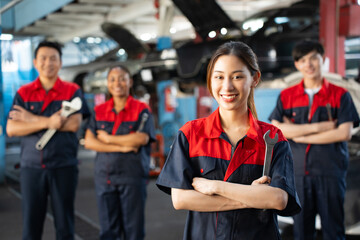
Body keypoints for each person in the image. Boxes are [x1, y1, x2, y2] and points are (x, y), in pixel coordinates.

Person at [156, 41, 301, 240]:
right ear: (210, 80)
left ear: (255, 78)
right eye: (219, 77)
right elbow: (181, 199)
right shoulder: (190, 135)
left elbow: (278, 199)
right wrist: (253, 197)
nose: (227, 86)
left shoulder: (272, 140)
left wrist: (215, 187)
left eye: (237, 76)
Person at [269, 40, 360, 240]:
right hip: (298, 174)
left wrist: (297, 134)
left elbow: (343, 134)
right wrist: (319, 128)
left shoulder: (340, 95)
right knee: (301, 231)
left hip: (330, 172)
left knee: (333, 230)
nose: (308, 64)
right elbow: (278, 130)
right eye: (302, 60)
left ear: (323, 60)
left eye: (313, 59)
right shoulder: (287, 96)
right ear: (296, 65)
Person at [6, 41, 90, 240]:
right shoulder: (24, 93)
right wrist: (49, 121)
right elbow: (12, 128)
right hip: (31, 168)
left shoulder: (72, 91)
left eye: (53, 58)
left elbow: (73, 125)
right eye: (43, 58)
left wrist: (30, 119)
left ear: (60, 63)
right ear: (35, 62)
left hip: (64, 167)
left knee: (65, 226)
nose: (48, 63)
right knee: (31, 228)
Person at [84, 65, 156, 240]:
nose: (118, 83)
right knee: (109, 231)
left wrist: (108, 139)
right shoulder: (99, 111)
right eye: (113, 79)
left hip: (132, 177)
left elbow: (141, 139)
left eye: (122, 78)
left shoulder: (141, 109)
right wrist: (123, 146)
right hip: (105, 178)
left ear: (130, 82)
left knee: (134, 231)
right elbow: (89, 141)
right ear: (108, 84)